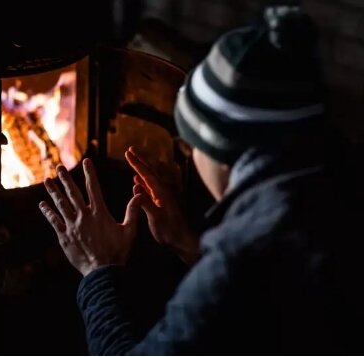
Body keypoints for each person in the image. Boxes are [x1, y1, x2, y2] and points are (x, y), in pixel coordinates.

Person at [39, 5, 364, 355]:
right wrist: (188, 244)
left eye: (191, 141)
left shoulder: (236, 255)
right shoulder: (339, 185)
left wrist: (96, 268)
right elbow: (265, 311)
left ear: (220, 148)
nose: (189, 153)